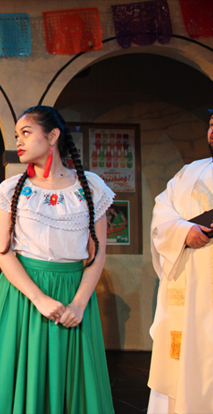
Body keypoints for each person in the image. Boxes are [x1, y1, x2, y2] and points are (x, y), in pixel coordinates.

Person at [0, 106, 115, 414]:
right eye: (16, 135)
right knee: (19, 374)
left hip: (73, 291)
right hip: (25, 294)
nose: (18, 141)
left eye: (26, 133)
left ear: (53, 136)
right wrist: (38, 299)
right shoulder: (12, 189)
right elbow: (2, 252)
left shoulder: (90, 187)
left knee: (69, 380)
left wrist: (78, 303)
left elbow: (98, 251)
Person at [147, 113, 213, 414]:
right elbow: (162, 213)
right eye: (212, 126)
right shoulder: (190, 172)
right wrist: (184, 231)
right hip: (192, 283)